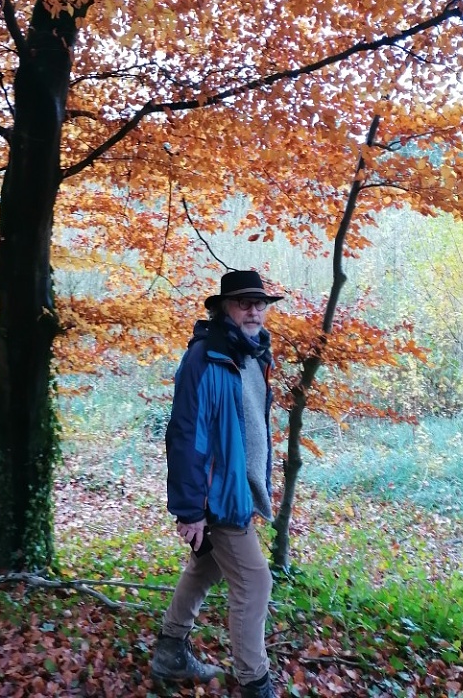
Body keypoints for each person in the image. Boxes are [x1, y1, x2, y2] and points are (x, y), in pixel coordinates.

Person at [150, 269, 283, 698]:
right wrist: (190, 510)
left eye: (260, 303)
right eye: (244, 303)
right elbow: (186, 435)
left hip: (239, 489)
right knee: (255, 582)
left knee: (206, 566)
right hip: (219, 494)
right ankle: (254, 682)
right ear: (224, 308)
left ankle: (170, 651)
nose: (254, 311)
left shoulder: (254, 354)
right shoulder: (205, 358)